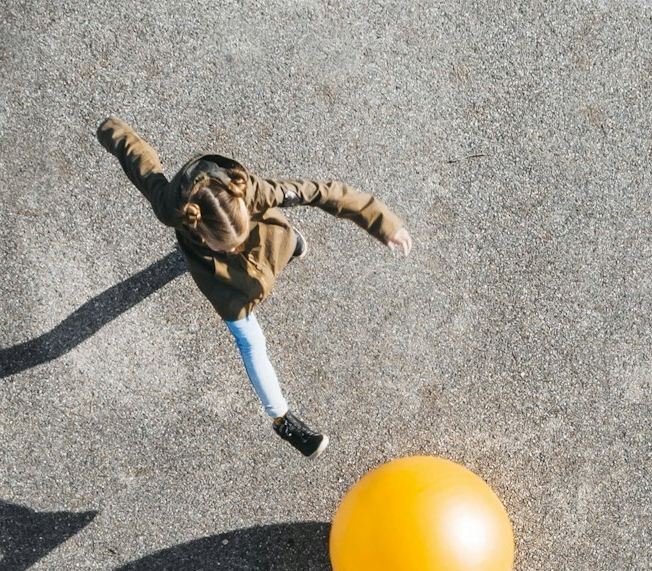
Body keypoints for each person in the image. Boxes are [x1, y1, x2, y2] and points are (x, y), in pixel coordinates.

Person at [95, 117, 414, 458]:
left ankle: (289, 244)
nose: (233, 248)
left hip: (267, 241)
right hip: (220, 279)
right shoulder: (171, 209)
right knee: (250, 340)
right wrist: (110, 130)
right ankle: (282, 420)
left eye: (238, 238)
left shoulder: (255, 191)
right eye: (225, 246)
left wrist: (384, 223)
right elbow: (141, 162)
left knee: (286, 241)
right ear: (201, 233)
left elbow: (323, 192)